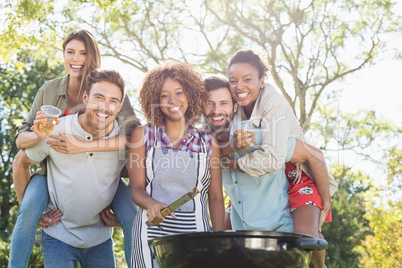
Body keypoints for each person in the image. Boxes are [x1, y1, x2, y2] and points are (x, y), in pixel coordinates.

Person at [9, 30, 138, 268]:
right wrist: (38, 135)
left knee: (132, 217)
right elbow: (22, 139)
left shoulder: (110, 89)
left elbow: (135, 137)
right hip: (52, 171)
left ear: (93, 56)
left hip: (104, 172)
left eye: (83, 53)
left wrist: (84, 145)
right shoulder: (50, 89)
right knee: (27, 211)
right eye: (70, 52)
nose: (76, 59)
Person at [204, 75, 333, 268]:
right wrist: (229, 149)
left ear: (234, 107)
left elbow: (314, 155)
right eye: (209, 103)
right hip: (246, 208)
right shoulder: (201, 144)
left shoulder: (256, 134)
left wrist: (326, 200)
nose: (216, 110)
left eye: (223, 103)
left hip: (293, 185)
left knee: (307, 235)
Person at [128, 62, 225, 268]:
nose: (173, 100)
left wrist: (219, 241)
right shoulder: (143, 135)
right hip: (151, 235)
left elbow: (216, 197)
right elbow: (136, 188)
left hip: (197, 236)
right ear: (155, 99)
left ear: (190, 94)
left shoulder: (208, 142)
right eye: (164, 95)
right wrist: (152, 204)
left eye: (179, 92)